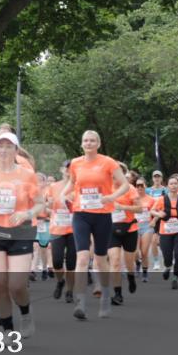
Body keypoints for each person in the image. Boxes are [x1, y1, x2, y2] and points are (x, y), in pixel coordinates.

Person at [0, 131, 43, 339]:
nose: (3, 150)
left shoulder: (26, 174)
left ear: (16, 150)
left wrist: (27, 213)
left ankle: (25, 312)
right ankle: (7, 329)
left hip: (20, 232)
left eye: (8, 146)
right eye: (0, 146)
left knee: (16, 284)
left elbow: (40, 203)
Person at [61, 130, 128, 320]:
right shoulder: (75, 163)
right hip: (81, 214)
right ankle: (80, 302)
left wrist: (111, 197)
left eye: (92, 140)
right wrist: (62, 194)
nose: (88, 143)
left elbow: (123, 184)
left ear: (98, 143)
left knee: (100, 259)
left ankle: (105, 297)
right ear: (81, 144)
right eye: (85, 140)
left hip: (102, 215)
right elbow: (72, 183)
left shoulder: (108, 162)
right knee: (82, 258)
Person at [108, 163, 141, 303]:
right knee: (115, 261)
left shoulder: (130, 188)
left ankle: (131, 276)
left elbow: (139, 209)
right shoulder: (105, 188)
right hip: (111, 230)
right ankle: (117, 293)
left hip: (129, 229)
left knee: (129, 263)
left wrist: (122, 207)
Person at [151, 175, 178, 290]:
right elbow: (152, 210)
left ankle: (175, 278)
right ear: (168, 186)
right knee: (167, 256)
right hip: (165, 232)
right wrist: (158, 214)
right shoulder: (162, 199)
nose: (173, 185)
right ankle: (167, 267)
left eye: (175, 183)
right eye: (171, 184)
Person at [47, 161, 76, 303]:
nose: (68, 170)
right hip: (57, 228)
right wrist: (50, 203)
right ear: (61, 170)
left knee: (71, 264)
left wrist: (73, 202)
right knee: (57, 262)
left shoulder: (78, 186)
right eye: (66, 168)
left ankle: (70, 291)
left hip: (74, 229)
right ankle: (60, 281)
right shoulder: (53, 186)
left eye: (71, 168)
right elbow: (47, 204)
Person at [134, 175, 157, 283]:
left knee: (144, 252)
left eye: (141, 185)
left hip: (147, 226)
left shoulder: (151, 199)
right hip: (134, 226)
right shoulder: (132, 199)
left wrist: (154, 221)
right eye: (137, 185)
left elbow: (156, 212)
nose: (139, 188)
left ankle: (145, 272)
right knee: (134, 252)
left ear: (145, 186)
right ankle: (137, 263)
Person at [31, 172, 53, 281]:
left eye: (40, 180)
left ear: (44, 182)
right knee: (35, 246)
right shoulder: (32, 192)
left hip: (46, 222)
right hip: (35, 222)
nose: (38, 183)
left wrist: (44, 206)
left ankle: (44, 268)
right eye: (36, 180)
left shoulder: (48, 192)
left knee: (44, 249)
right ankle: (32, 271)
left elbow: (52, 208)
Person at [146, 170, 166, 271]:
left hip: (163, 218)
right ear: (152, 178)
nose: (157, 179)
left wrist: (155, 218)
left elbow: (165, 206)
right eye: (155, 177)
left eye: (158, 177)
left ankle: (168, 256)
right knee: (154, 241)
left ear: (161, 178)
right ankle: (156, 261)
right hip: (150, 217)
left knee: (163, 241)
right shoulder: (147, 190)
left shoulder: (165, 190)